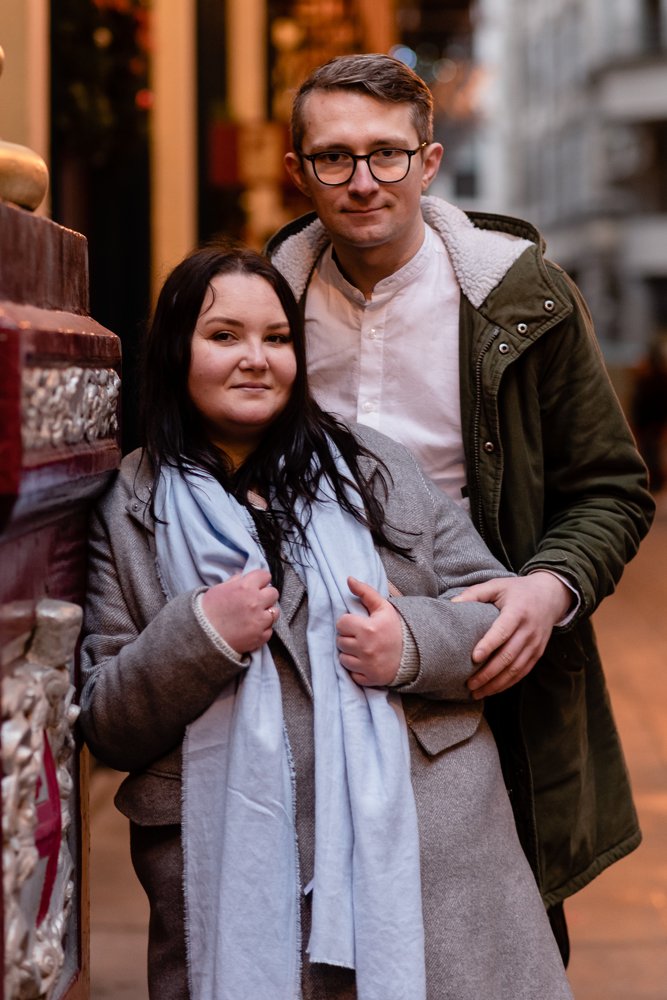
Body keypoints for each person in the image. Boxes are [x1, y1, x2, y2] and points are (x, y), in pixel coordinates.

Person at [78, 244, 575, 1000]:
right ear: (175, 349)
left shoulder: (373, 466)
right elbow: (107, 721)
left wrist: (407, 645)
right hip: (233, 873)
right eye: (224, 337)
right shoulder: (126, 509)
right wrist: (201, 635)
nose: (256, 359)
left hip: (424, 850)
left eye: (277, 338)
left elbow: (496, 613)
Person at [267, 52, 656, 962]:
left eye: (386, 155)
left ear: (430, 161)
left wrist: (548, 588)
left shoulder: (522, 299)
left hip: (487, 686)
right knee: (309, 953)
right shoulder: (261, 307)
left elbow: (609, 486)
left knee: (493, 955)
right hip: (302, 685)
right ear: (298, 170)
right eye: (333, 158)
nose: (362, 181)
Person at [630, 339, 667, 491]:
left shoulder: (648, 379)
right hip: (649, 425)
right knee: (650, 453)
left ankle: (652, 483)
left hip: (650, 425)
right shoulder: (653, 379)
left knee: (650, 453)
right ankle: (652, 483)